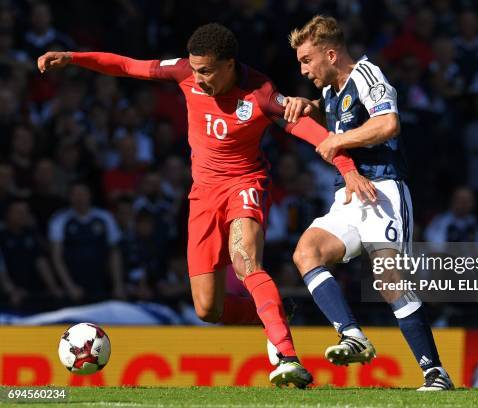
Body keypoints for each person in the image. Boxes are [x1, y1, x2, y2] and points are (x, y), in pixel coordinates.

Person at [38, 22, 375, 387]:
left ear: (229, 64)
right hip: (202, 196)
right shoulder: (185, 72)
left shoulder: (260, 93)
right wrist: (72, 57)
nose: (198, 79)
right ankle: (275, 312)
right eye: (195, 69)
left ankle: (286, 357)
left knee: (246, 261)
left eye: (206, 71)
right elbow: (126, 65)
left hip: (245, 184)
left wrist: (348, 169)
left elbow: (314, 134)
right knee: (207, 309)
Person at [282, 15, 454, 391]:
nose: (303, 68)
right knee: (306, 252)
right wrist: (309, 105)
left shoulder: (367, 75)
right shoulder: (330, 91)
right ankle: (352, 334)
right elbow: (335, 110)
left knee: (388, 278)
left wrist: (339, 141)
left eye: (307, 60)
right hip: (348, 195)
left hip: (384, 190)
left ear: (331, 53)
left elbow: (388, 123)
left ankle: (434, 372)